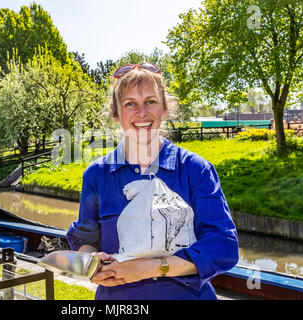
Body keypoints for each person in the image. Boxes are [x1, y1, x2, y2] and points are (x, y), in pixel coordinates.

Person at [66, 63, 239, 300]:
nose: (142, 113)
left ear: (165, 107)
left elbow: (222, 246)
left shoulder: (196, 170)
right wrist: (91, 264)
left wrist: (153, 267)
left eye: (151, 101)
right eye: (130, 104)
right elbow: (84, 240)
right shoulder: (96, 175)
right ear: (115, 112)